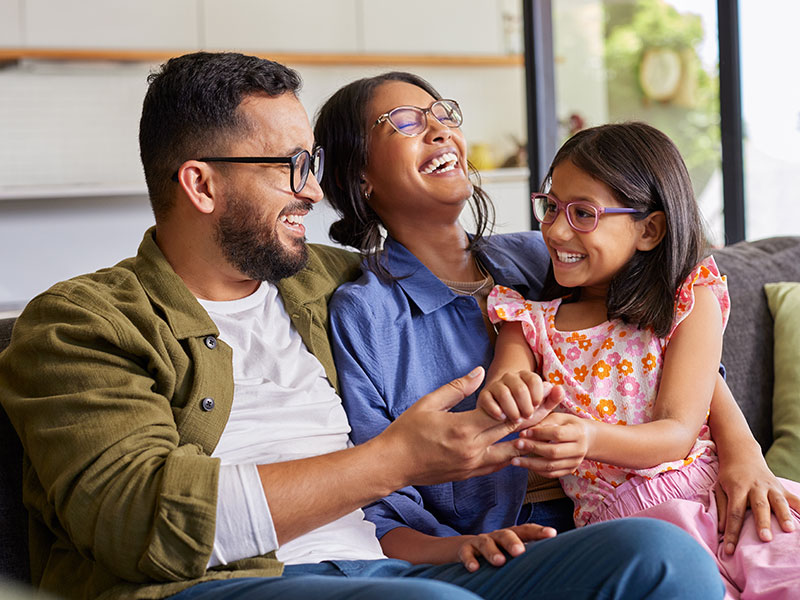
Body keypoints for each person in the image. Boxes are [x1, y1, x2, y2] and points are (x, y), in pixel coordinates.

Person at [0, 52, 725, 600]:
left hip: (395, 569)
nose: (314, 190)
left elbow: (655, 314)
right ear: (200, 183)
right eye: (289, 167)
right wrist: (397, 459)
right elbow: (139, 521)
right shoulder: (79, 325)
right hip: (235, 579)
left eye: (313, 163)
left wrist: (740, 448)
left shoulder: (326, 278)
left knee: (664, 559)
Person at [315, 71, 800, 571]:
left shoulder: (542, 253)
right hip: (525, 542)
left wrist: (744, 451)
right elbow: (375, 495)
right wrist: (455, 551)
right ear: (359, 176)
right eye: (405, 122)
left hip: (664, 494)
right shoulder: (367, 312)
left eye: (442, 114)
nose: (439, 130)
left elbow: (662, 350)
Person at [480, 122, 800, 598]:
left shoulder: (687, 302)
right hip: (623, 534)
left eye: (583, 213)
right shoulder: (526, 320)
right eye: (550, 206)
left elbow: (676, 431)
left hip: (720, 499)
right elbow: (505, 385)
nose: (556, 228)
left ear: (649, 229)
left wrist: (588, 437)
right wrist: (507, 394)